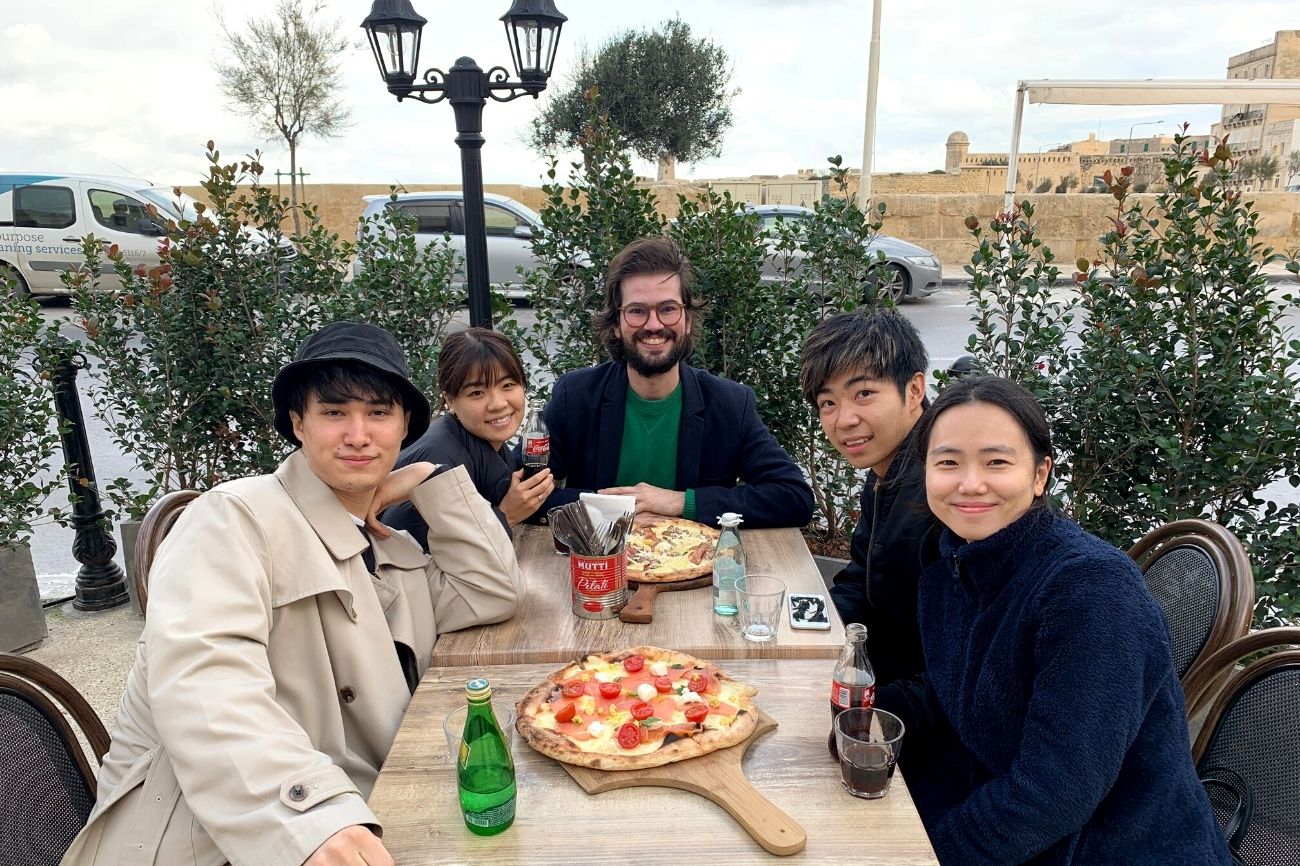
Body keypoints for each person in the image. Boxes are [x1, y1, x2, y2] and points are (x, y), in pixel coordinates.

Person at [62, 322, 525, 866]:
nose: (358, 434)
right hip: (220, 839)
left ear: (404, 429)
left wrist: (432, 479)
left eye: (379, 414)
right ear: (298, 422)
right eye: (334, 413)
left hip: (373, 814)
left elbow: (494, 591)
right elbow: (205, 679)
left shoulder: (390, 552)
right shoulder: (234, 518)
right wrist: (308, 820)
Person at [876, 375, 1231, 865]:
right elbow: (948, 696)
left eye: (997, 461)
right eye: (948, 462)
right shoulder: (949, 571)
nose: (970, 482)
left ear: (1040, 474)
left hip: (1110, 847)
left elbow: (1054, 791)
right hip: (1003, 817)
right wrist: (862, 710)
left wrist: (925, 855)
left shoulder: (1089, 590)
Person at [536, 235, 813, 528]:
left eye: (668, 309)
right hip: (598, 567)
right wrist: (615, 509)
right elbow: (523, 492)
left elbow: (793, 498)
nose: (654, 325)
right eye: (637, 311)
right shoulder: (575, 397)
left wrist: (679, 502)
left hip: (693, 564)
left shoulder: (730, 404)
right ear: (616, 324)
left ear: (688, 320)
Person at [798, 307, 938, 686]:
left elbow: (960, 661)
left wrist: (868, 710)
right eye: (828, 403)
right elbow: (862, 579)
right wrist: (801, 624)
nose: (843, 419)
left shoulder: (942, 487)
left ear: (914, 390)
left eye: (864, 394)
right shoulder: (886, 469)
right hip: (873, 674)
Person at [383, 327, 554, 548]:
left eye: (508, 385)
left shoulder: (485, 441)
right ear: (450, 401)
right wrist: (506, 514)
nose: (498, 403)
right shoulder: (440, 456)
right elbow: (407, 549)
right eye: (477, 393)